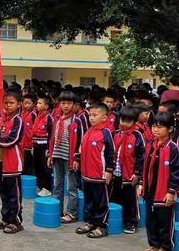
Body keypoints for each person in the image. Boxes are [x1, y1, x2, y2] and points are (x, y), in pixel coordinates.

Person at [140, 112, 179, 251]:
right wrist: (141, 184)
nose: (155, 130)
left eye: (160, 127)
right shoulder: (150, 145)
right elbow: (144, 167)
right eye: (153, 126)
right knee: (150, 220)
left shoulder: (172, 148)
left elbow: (177, 172)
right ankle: (154, 245)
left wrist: (171, 191)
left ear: (170, 128)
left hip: (164, 192)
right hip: (149, 191)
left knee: (164, 222)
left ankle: (165, 248)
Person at [0, 89, 24, 234]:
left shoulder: (18, 121)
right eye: (5, 103)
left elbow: (11, 141)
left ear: (19, 104)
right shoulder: (1, 118)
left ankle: (16, 221)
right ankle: (6, 218)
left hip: (12, 163)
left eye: (11, 103)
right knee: (4, 193)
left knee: (14, 195)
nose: (8, 106)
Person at [74, 103, 114, 239]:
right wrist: (77, 160)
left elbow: (110, 153)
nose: (91, 118)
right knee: (89, 200)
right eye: (90, 115)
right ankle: (90, 222)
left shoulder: (105, 133)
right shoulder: (88, 131)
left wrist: (109, 170)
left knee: (100, 201)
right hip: (86, 174)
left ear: (104, 118)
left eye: (95, 115)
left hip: (99, 175)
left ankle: (101, 226)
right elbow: (81, 148)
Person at [48, 91, 83, 223]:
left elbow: (81, 141)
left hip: (70, 159)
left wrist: (77, 158)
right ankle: (58, 210)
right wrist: (50, 155)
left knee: (71, 187)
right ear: (59, 104)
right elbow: (52, 138)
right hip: (57, 156)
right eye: (63, 103)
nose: (66, 106)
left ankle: (71, 213)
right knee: (57, 185)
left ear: (74, 105)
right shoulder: (57, 119)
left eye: (69, 103)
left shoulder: (77, 121)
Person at [111, 106, 145, 234]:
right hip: (116, 173)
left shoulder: (137, 136)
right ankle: (116, 220)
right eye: (122, 120)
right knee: (114, 198)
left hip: (130, 176)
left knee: (130, 201)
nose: (124, 123)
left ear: (135, 122)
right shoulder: (116, 133)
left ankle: (131, 222)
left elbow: (141, 157)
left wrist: (137, 173)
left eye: (128, 121)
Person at [32, 95, 53, 197]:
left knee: (45, 168)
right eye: (37, 103)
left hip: (44, 146)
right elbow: (34, 132)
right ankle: (40, 186)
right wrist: (33, 145)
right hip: (36, 145)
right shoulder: (37, 116)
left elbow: (51, 134)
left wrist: (49, 149)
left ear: (46, 106)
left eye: (40, 103)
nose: (37, 105)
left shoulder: (49, 118)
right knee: (37, 167)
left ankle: (47, 188)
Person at [21, 93, 37, 176]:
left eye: (28, 103)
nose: (26, 105)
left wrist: (33, 144)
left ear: (33, 104)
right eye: (25, 103)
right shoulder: (22, 113)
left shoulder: (34, 115)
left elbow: (35, 130)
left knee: (31, 165)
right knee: (24, 164)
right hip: (22, 144)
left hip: (30, 145)